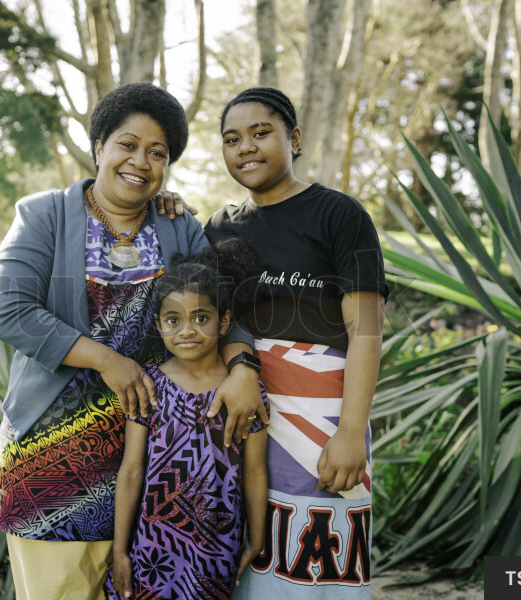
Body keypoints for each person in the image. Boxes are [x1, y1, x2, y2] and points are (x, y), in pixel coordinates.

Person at [0, 82, 265, 600]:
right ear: (99, 148)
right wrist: (105, 360)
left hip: (157, 476)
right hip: (53, 469)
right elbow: (8, 310)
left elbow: (226, 308)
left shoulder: (177, 229)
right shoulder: (44, 215)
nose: (141, 161)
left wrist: (244, 365)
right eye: (128, 144)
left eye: (157, 153)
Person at [204, 87, 387, 599]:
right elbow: (211, 320)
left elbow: (367, 330)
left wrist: (351, 431)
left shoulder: (339, 215)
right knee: (253, 555)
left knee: (318, 562)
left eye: (261, 133)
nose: (245, 147)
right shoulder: (217, 227)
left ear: (295, 138)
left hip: (325, 417)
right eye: (231, 139)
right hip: (245, 417)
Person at [106, 240, 270, 600]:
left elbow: (255, 470)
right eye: (173, 320)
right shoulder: (149, 386)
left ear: (224, 320)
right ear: (159, 324)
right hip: (152, 551)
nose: (187, 330)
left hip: (216, 551)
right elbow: (131, 470)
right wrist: (120, 551)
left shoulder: (244, 392)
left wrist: (256, 538)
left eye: (201, 317)